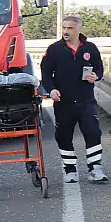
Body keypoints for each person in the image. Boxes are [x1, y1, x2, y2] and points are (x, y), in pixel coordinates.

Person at [41, 14, 107, 183]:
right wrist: (51, 90)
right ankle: (70, 170)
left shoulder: (90, 48)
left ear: (79, 29)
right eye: (64, 28)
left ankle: (95, 168)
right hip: (64, 102)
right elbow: (46, 74)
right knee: (63, 135)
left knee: (93, 132)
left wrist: (96, 76)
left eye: (70, 28)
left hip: (86, 101)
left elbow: (99, 68)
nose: (66, 31)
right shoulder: (54, 49)